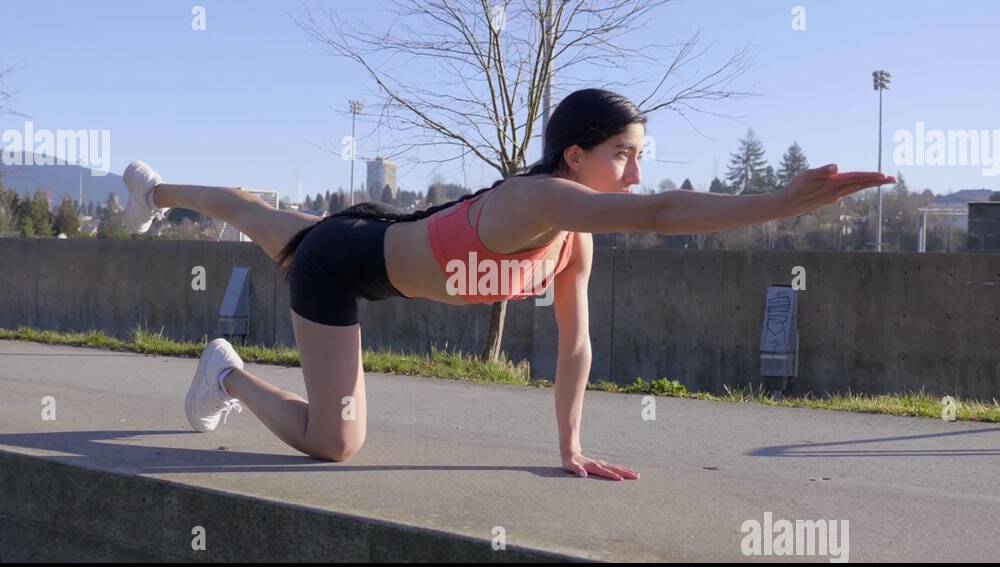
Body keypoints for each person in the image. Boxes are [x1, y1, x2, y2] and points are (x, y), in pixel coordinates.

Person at [119, 88, 894, 481]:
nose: (637, 171)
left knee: (252, 212)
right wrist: (777, 202)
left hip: (378, 238)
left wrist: (571, 447)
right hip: (341, 264)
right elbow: (659, 213)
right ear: (575, 157)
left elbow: (577, 347)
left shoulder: (572, 240)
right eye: (623, 153)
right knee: (336, 442)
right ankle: (227, 372)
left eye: (641, 154)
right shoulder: (533, 199)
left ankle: (152, 195)